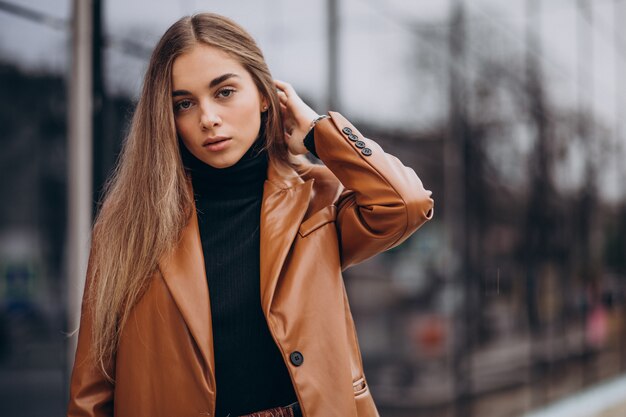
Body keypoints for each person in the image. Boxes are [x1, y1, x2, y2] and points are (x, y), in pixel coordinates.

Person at [67, 12, 434, 417]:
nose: (208, 118)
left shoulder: (315, 201)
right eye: (184, 103)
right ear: (167, 119)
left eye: (223, 92)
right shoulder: (128, 227)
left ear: (264, 96)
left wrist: (316, 130)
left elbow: (405, 203)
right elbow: (92, 392)